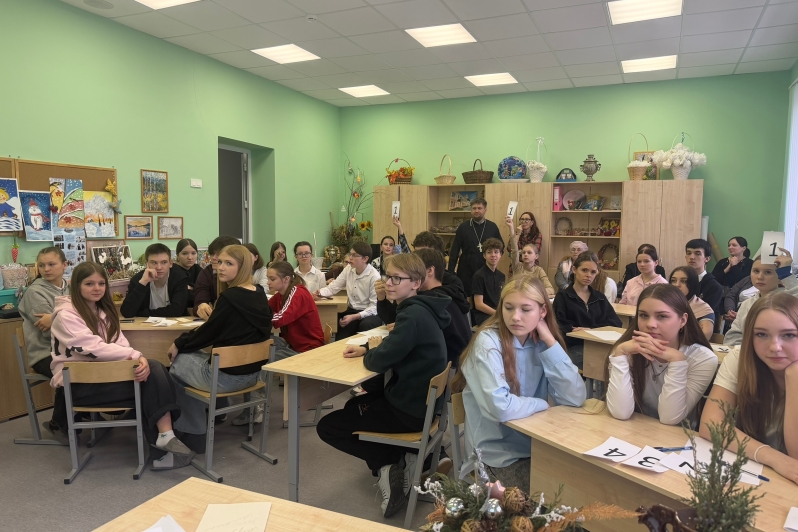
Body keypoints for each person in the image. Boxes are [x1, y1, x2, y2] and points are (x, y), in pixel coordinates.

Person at [316, 253, 449, 518]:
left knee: (328, 427)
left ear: (416, 283)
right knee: (355, 405)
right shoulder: (422, 309)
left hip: (408, 411)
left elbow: (379, 361)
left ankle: (386, 465)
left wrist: (370, 353)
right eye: (388, 276)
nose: (388, 282)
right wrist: (369, 347)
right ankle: (403, 457)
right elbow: (395, 344)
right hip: (422, 407)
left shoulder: (411, 316)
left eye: (397, 278)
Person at [49, 262, 195, 469]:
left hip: (105, 379)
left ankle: (166, 438)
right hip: (79, 387)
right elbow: (93, 348)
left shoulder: (103, 311)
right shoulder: (65, 316)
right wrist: (136, 356)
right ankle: (164, 445)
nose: (97, 288)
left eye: (101, 283)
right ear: (77, 285)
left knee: (153, 374)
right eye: (89, 284)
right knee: (153, 375)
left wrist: (135, 360)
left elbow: (120, 342)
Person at [453, 276, 586, 489]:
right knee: (554, 497)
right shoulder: (488, 342)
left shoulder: (541, 342)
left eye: (526, 309)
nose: (515, 317)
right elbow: (500, 408)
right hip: (496, 455)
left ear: (542, 312)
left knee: (582, 487)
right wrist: (540, 404)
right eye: (508, 308)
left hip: (539, 445)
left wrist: (550, 342)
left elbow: (575, 397)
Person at [168, 245, 273, 442]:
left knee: (176, 362)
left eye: (229, 263)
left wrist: (179, 343)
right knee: (194, 354)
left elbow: (207, 333)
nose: (221, 267)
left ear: (242, 267)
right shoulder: (259, 293)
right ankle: (218, 410)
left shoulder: (230, 298)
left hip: (226, 380)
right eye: (220, 262)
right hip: (253, 377)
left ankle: (194, 432)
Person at [700, 292, 798, 486]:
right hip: (753, 473)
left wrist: (793, 379)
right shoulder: (740, 359)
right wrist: (773, 458)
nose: (775, 347)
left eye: (789, 335)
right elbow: (710, 423)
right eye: (761, 334)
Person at [606, 284, 717, 426]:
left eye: (662, 316)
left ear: (683, 320)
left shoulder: (703, 358)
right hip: (637, 429)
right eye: (643, 315)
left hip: (679, 435)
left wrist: (677, 360)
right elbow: (621, 412)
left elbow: (670, 418)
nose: (651, 324)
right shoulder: (626, 350)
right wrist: (620, 355)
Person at [233, 261, 324, 426]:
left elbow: (279, 319)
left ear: (286, 279)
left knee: (258, 360)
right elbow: (265, 309)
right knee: (256, 347)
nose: (268, 282)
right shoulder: (282, 293)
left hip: (307, 350)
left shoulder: (297, 293)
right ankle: (254, 405)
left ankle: (257, 408)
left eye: (272, 279)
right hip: (294, 344)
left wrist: (255, 318)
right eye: (268, 278)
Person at [377, 248, 471, 367]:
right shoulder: (444, 295)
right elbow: (393, 320)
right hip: (460, 363)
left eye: (415, 268)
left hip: (448, 366)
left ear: (430, 271)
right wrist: (382, 299)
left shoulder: (430, 301)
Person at [19, 247, 70, 435]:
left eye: (51, 264)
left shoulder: (70, 287)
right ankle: (58, 423)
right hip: (45, 353)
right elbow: (51, 331)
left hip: (70, 348)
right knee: (71, 372)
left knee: (97, 363)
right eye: (41, 265)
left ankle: (84, 413)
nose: (46, 269)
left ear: (65, 265)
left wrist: (57, 317)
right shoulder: (35, 292)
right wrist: (70, 320)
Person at [553, 251, 622, 369]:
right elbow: (558, 325)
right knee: (597, 363)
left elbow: (616, 323)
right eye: (584, 270)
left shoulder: (599, 298)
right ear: (574, 269)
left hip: (600, 345)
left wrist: (591, 330)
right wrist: (573, 330)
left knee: (618, 361)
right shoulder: (563, 297)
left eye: (593, 272)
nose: (589, 275)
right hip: (574, 346)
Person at [725, 251, 797, 346]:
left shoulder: (789, 301)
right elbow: (734, 336)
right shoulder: (747, 304)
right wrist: (740, 351)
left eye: (768, 272)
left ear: (779, 277)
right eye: (756, 271)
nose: (760, 277)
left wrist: (785, 274)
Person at [315, 241, 381, 339]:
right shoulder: (348, 269)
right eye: (350, 254)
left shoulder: (374, 276)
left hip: (369, 313)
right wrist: (319, 292)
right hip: (352, 310)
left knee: (366, 325)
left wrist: (354, 317)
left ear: (365, 259)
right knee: (340, 326)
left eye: (354, 255)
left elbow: (374, 307)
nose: (350, 258)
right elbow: (334, 287)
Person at [447, 198, 501, 297]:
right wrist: (450, 272)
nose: (476, 211)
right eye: (474, 208)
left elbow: (501, 247)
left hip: (486, 268)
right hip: (466, 269)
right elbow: (455, 250)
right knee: (466, 296)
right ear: (471, 210)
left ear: (485, 210)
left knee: (486, 296)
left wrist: (493, 262)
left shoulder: (492, 227)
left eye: (479, 208)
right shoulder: (463, 227)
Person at [121, 243, 188, 318]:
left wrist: (142, 313)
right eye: (154, 263)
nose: (159, 267)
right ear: (147, 264)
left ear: (170, 263)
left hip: (176, 323)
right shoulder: (138, 279)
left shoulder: (179, 277)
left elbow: (177, 310)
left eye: (164, 262)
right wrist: (143, 283)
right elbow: (126, 312)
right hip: (145, 324)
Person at [193, 235, 239, 319]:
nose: (213, 257)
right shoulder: (206, 273)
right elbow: (199, 303)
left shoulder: (245, 279)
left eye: (219, 254)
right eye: (212, 253)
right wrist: (202, 306)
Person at [506, 216, 554, 296]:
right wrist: (511, 228)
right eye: (523, 252)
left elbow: (550, 289)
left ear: (536, 256)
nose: (525, 254)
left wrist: (532, 292)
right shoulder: (517, 266)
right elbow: (514, 249)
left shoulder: (539, 270)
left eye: (529, 253)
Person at [412, 230, 466, 295]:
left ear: (438, 256)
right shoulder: (411, 278)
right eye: (415, 254)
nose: (417, 259)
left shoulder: (453, 283)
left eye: (424, 254)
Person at [669, 266, 716, 340]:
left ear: (693, 284)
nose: (677, 285)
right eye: (673, 280)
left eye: (684, 281)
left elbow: (703, 337)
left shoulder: (703, 309)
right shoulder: (663, 304)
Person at [685, 238, 724, 321]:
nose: (691, 257)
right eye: (689, 253)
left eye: (697, 253)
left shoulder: (714, 287)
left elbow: (705, 314)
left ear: (707, 259)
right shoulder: (680, 281)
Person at [471, 238, 506, 326]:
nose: (493, 255)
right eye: (489, 252)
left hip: (497, 313)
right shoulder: (478, 276)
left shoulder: (501, 276)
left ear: (501, 255)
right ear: (484, 255)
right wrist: (498, 314)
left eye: (496, 252)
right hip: (483, 315)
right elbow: (479, 304)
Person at [174, 238, 202, 314]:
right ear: (177, 255)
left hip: (197, 311)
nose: (190, 257)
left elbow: (205, 291)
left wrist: (191, 288)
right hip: (178, 311)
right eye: (184, 253)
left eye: (193, 253)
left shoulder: (198, 269)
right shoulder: (173, 271)